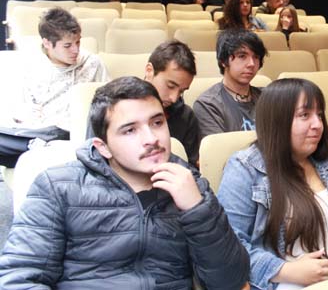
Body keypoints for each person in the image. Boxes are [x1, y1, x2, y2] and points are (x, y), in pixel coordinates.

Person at [0, 76, 249, 289]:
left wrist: (198, 210)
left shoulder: (191, 186)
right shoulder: (58, 187)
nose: (151, 138)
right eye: (130, 130)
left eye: (157, 123)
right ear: (103, 147)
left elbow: (229, 282)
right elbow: (20, 278)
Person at [218, 78, 328, 289]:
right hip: (290, 284)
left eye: (319, 115)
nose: (318, 124)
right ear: (277, 120)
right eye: (304, 115)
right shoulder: (244, 168)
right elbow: (229, 247)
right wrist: (285, 270)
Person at [0, 8, 109, 167]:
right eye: (67, 45)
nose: (76, 50)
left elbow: (109, 101)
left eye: (78, 42)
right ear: (47, 43)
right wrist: (24, 112)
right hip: (35, 129)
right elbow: (15, 109)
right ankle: (35, 146)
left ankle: (33, 147)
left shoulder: (92, 63)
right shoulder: (29, 66)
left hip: (69, 130)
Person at [194, 29, 267, 136]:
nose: (251, 64)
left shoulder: (267, 97)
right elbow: (219, 146)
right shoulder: (208, 104)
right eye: (242, 56)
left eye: (256, 57)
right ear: (223, 61)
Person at [144, 40, 201, 166]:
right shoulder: (119, 109)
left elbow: (191, 166)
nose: (174, 98)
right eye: (170, 86)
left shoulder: (186, 117)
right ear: (149, 71)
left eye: (181, 91)